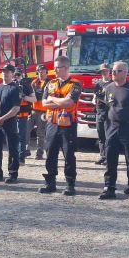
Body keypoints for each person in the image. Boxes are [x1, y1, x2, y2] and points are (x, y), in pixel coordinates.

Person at [98, 61, 129, 202]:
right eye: (113, 71)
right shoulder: (109, 88)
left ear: (125, 73)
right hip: (112, 128)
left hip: (128, 128)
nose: (113, 73)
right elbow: (108, 106)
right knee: (110, 159)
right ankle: (109, 187)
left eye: (117, 71)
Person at [39, 55, 82, 195]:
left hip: (67, 125)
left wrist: (53, 99)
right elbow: (43, 103)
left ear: (66, 68)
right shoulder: (50, 83)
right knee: (50, 153)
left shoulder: (75, 84)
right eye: (54, 67)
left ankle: (70, 184)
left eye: (58, 68)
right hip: (51, 124)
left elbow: (69, 103)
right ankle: (50, 183)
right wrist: (59, 100)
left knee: (69, 155)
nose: (55, 70)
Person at [0, 64, 23, 183]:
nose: (5, 73)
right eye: (3, 71)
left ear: (13, 73)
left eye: (8, 71)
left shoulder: (15, 88)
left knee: (12, 149)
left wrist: (2, 118)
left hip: (10, 122)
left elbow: (16, 108)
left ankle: (12, 173)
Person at [15, 68, 37, 164]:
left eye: (18, 75)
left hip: (22, 115)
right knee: (13, 137)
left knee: (21, 137)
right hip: (11, 115)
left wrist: (24, 96)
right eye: (15, 75)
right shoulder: (10, 85)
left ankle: (21, 158)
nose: (16, 77)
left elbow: (34, 99)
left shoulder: (27, 86)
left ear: (22, 75)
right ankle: (15, 156)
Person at [27, 73, 49, 160]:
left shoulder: (49, 83)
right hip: (33, 110)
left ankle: (39, 154)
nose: (41, 74)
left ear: (46, 73)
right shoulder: (34, 82)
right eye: (39, 72)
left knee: (40, 134)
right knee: (26, 130)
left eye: (43, 71)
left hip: (43, 111)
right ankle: (26, 150)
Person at [93, 64, 111, 165]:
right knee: (101, 136)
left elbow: (112, 100)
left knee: (109, 136)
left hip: (109, 113)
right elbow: (95, 97)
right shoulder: (98, 84)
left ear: (109, 71)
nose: (104, 73)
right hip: (99, 112)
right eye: (102, 71)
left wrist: (101, 99)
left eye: (106, 71)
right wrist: (95, 100)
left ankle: (109, 157)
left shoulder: (113, 84)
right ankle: (102, 156)